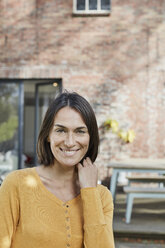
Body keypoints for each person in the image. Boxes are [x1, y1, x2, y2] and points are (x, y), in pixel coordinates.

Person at [0, 91, 115, 248]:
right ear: (48, 135)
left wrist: (89, 191)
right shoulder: (16, 185)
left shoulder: (101, 197)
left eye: (80, 131)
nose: (69, 142)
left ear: (90, 137)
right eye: (61, 130)